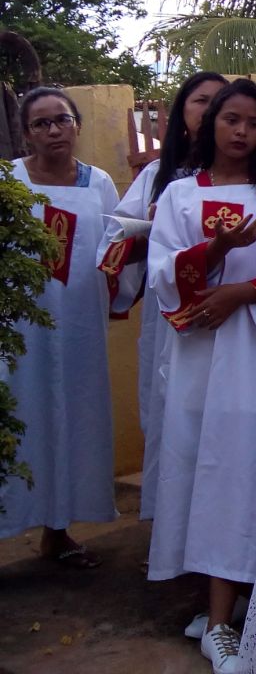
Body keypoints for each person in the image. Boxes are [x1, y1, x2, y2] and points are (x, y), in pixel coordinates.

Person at [147, 79, 256, 674]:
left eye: (253, 122)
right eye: (231, 120)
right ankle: (218, 618)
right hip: (201, 360)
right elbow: (163, 275)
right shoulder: (179, 195)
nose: (242, 131)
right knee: (208, 473)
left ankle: (242, 609)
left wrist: (242, 292)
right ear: (210, 125)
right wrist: (213, 251)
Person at [96, 71, 228, 523]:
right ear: (181, 114)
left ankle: (221, 522)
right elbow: (114, 243)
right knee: (171, 408)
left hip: (231, 310)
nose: (210, 110)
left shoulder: (252, 175)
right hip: (172, 312)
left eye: (220, 101)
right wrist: (153, 232)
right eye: (200, 101)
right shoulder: (159, 175)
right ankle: (171, 526)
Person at [0, 87, 119, 567]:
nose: (54, 130)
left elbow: (115, 246)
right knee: (19, 418)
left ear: (77, 125)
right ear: (26, 133)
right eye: (41, 123)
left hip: (78, 327)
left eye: (62, 120)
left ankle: (58, 530)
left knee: (71, 418)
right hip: (19, 329)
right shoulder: (8, 182)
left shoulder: (98, 184)